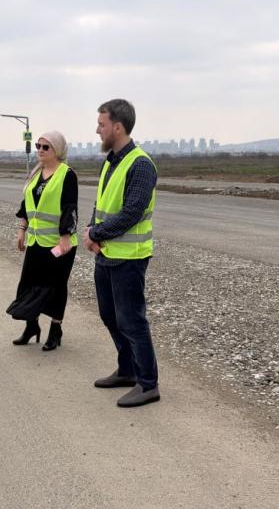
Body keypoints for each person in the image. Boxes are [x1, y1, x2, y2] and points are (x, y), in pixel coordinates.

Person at [82, 99, 161, 408]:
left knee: (132, 320)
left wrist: (96, 234)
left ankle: (148, 384)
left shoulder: (140, 164)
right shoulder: (111, 161)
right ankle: (127, 370)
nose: (97, 130)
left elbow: (131, 212)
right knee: (110, 316)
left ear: (117, 127)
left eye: (101, 125)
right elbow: (101, 203)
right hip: (106, 253)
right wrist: (91, 229)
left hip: (129, 257)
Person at [8, 131, 79, 351]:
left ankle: (56, 330)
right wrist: (22, 230)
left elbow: (70, 208)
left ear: (57, 150)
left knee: (56, 287)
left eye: (45, 147)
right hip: (36, 241)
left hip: (59, 244)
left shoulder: (67, 174)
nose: (40, 150)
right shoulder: (35, 173)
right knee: (29, 285)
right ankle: (32, 326)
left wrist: (65, 236)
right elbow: (26, 205)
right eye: (38, 146)